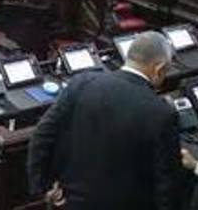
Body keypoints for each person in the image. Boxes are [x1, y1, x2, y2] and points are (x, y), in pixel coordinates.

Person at [27, 31, 181, 210]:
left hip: (72, 203)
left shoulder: (82, 83)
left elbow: (42, 135)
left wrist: (43, 187)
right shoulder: (162, 114)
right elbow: (167, 187)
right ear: (159, 68)